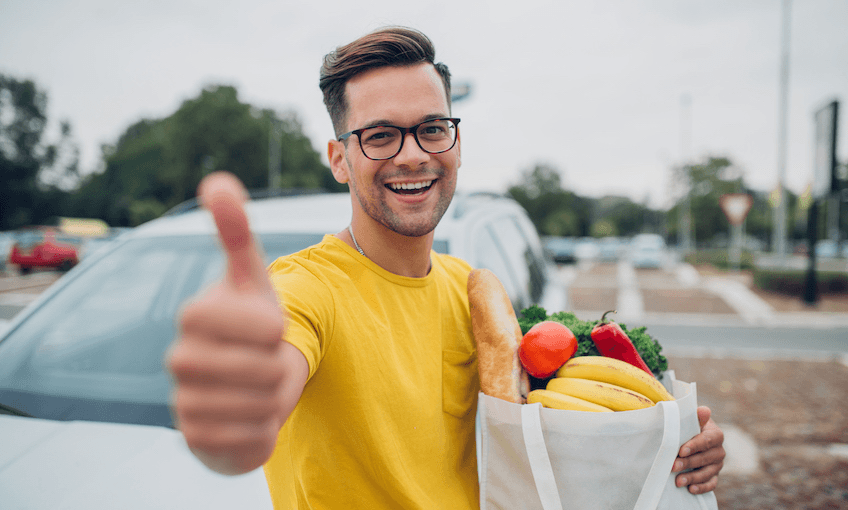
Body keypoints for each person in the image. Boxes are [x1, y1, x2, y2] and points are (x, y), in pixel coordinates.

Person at [167, 26, 726, 509]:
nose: (412, 154)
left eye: (432, 128)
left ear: (456, 144)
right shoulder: (309, 289)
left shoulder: (475, 293)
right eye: (380, 135)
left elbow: (550, 435)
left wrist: (671, 442)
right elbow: (246, 428)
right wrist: (228, 426)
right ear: (340, 160)